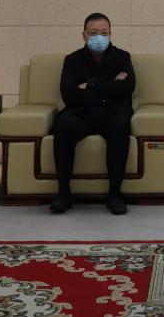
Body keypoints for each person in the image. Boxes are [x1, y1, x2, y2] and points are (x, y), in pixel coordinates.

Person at [50, 12, 136, 215]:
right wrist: (110, 85)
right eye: (94, 33)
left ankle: (115, 194)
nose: (99, 37)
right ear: (84, 35)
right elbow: (69, 94)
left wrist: (90, 84)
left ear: (111, 34)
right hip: (82, 113)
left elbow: (127, 87)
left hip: (112, 113)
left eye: (104, 33)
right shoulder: (72, 60)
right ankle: (63, 193)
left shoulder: (122, 57)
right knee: (63, 125)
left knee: (120, 126)